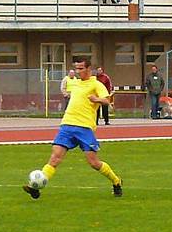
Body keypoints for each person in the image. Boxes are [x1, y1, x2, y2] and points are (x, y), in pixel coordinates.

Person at [22, 57, 123, 200]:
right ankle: (35, 188)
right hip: (67, 125)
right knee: (55, 158)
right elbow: (67, 91)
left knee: (93, 162)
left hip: (84, 127)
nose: (78, 71)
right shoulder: (74, 83)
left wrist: (97, 100)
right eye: (76, 68)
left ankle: (116, 181)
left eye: (81, 68)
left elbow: (108, 100)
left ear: (88, 69)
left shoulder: (96, 84)